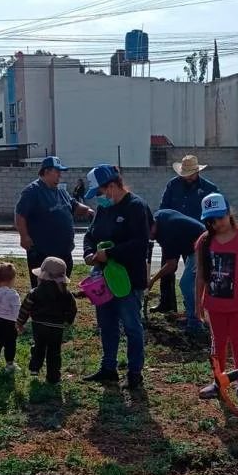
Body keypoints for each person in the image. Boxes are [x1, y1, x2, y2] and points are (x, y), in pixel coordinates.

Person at [83, 164, 149, 390]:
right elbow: (90, 235)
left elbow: (140, 245)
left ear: (111, 187)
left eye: (99, 194)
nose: (98, 200)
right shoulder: (104, 209)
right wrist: (89, 253)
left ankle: (134, 372)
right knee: (107, 323)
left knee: (131, 325)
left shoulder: (136, 207)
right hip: (103, 279)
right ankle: (108, 367)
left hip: (128, 280)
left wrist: (109, 253)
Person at [195, 193, 238, 406]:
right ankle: (218, 380)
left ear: (228, 213)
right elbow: (201, 274)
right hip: (214, 304)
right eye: (211, 221)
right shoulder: (204, 241)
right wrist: (198, 303)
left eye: (220, 218)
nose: (217, 224)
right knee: (218, 343)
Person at [15, 155, 93, 287]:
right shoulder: (32, 191)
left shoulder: (61, 192)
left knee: (61, 288)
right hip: (42, 253)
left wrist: (89, 210)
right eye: (57, 172)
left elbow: (74, 206)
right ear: (46, 172)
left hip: (64, 251)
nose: (59, 175)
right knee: (42, 289)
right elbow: (20, 215)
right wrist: (24, 236)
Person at [155, 155, 218, 314]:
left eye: (190, 173)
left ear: (197, 171)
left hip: (196, 237)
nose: (187, 177)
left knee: (193, 277)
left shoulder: (209, 189)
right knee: (167, 269)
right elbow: (163, 207)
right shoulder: (173, 185)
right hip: (172, 234)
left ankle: (194, 308)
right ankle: (166, 302)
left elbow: (215, 214)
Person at [17, 256, 77, 385]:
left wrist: (20, 322)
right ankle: (53, 378)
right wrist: (68, 321)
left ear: (42, 275)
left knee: (39, 346)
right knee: (54, 352)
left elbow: (25, 308)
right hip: (57, 327)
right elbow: (72, 309)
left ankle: (34, 368)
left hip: (38, 326)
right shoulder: (66, 294)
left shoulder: (35, 292)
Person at [148, 209, 206, 334]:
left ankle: (195, 324)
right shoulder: (160, 216)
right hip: (195, 243)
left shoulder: (166, 233)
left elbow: (172, 265)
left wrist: (152, 280)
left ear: (152, 226)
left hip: (204, 246)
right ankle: (192, 314)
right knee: (192, 284)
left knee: (186, 283)